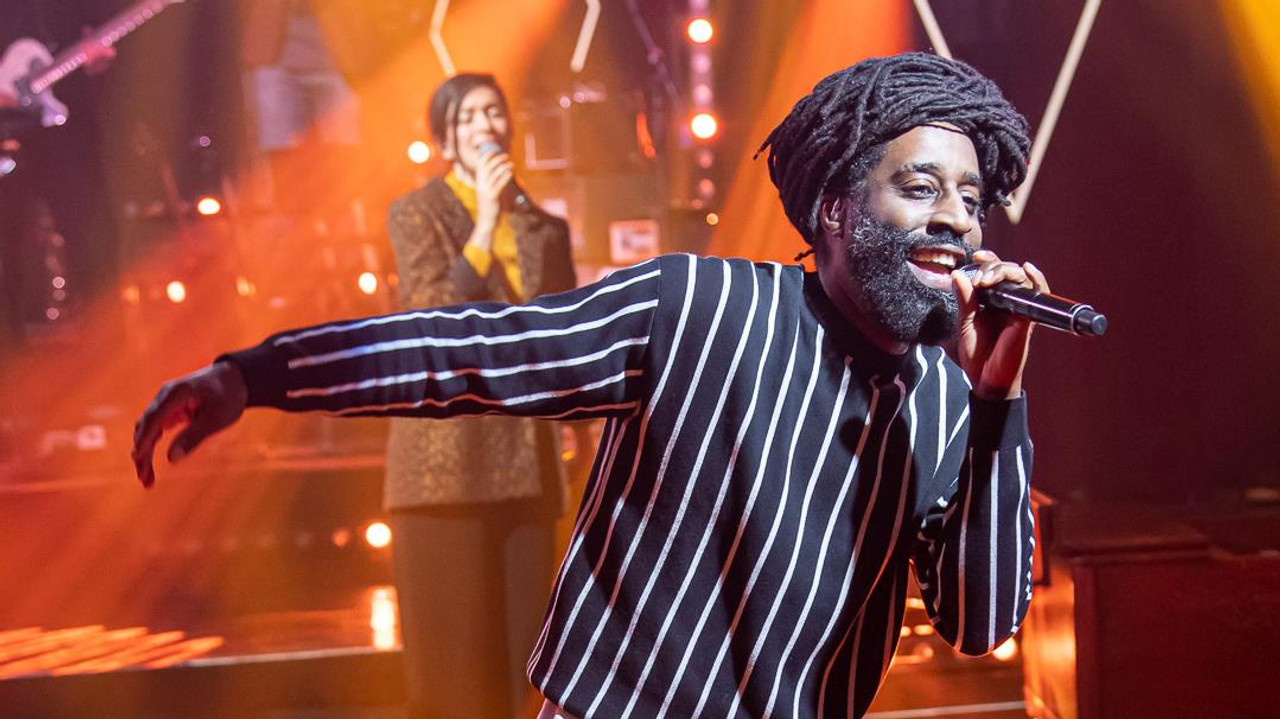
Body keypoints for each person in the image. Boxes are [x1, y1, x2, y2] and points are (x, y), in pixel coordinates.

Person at [134, 52, 1045, 719]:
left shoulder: (948, 399)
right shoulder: (699, 306)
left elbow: (981, 620)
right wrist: (257, 373)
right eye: (921, 187)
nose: (956, 220)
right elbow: (472, 353)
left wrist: (995, 402)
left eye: (971, 199)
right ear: (837, 209)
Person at [379, 73, 576, 719]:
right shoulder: (416, 213)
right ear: (445, 140)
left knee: (532, 658)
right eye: (466, 117)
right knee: (456, 668)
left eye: (492, 112)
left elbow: (568, 336)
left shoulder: (545, 228)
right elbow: (433, 317)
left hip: (527, 457)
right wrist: (485, 221)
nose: (484, 125)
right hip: (444, 465)